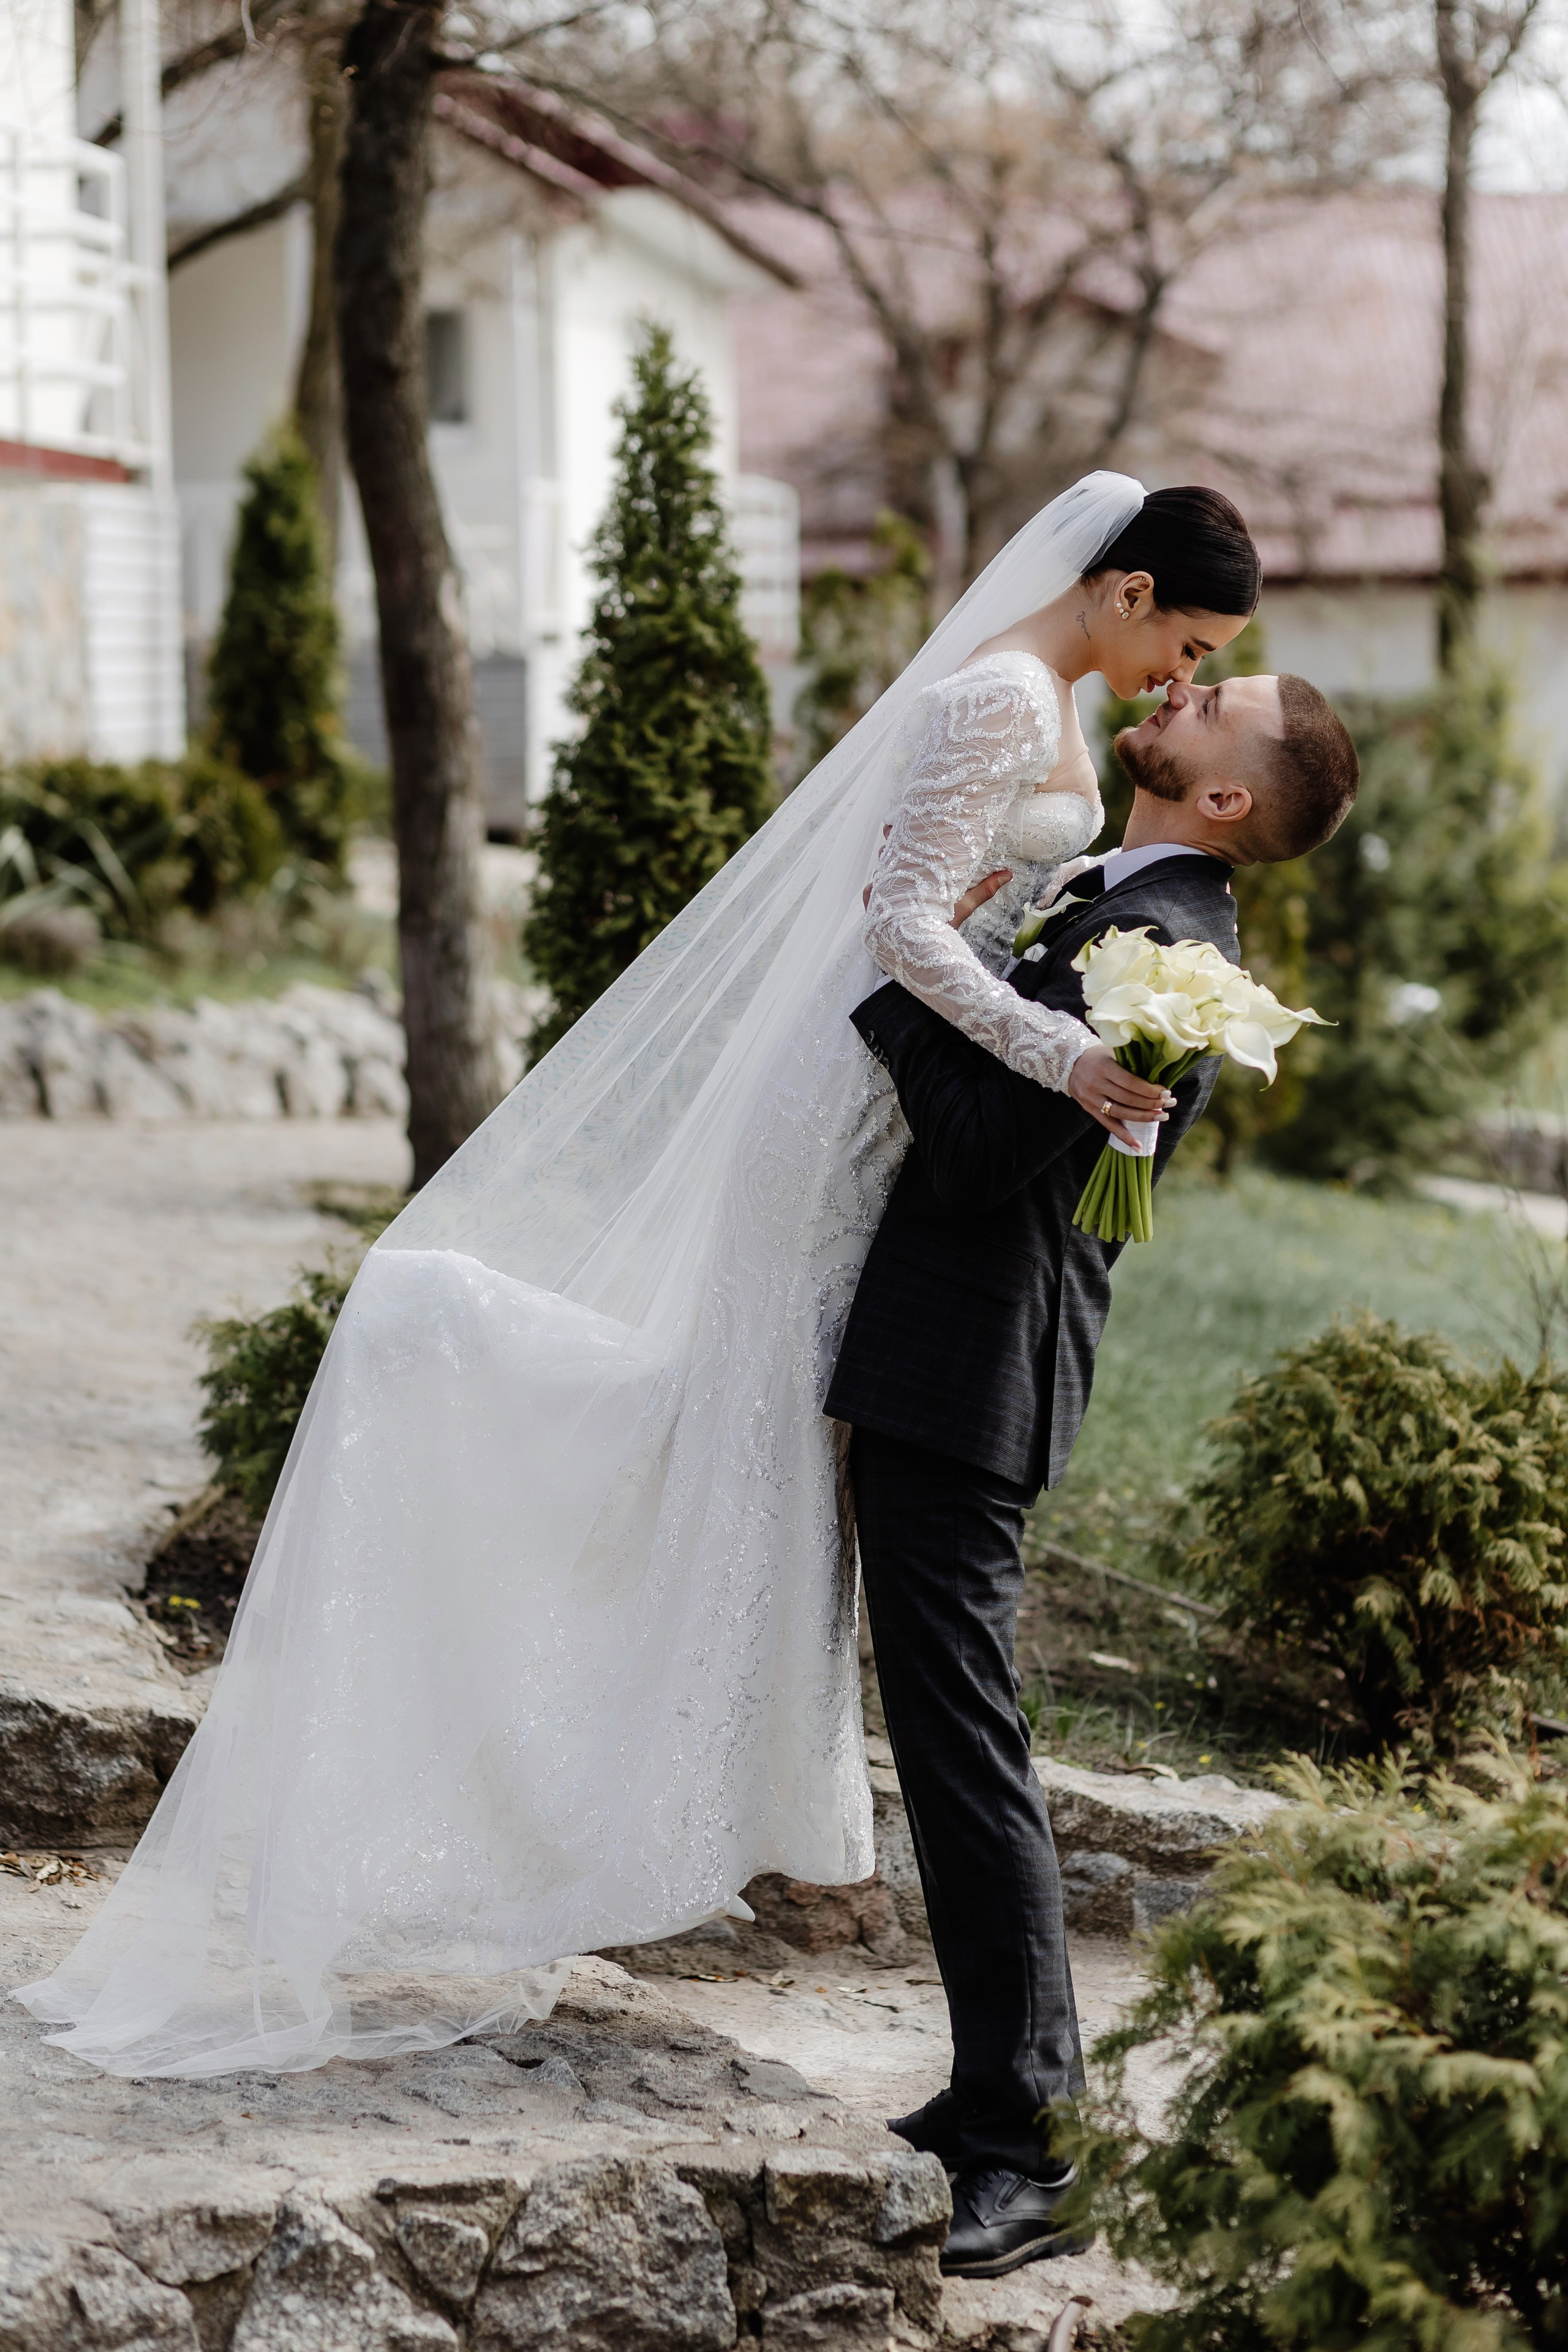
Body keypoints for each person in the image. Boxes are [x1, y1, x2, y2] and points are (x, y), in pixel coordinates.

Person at [20, 477, 1275, 2082]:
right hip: (840, 1111)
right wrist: (1068, 1050)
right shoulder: (996, 694)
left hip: (910, 1108)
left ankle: (652, 1771)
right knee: (714, 1429)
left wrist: (1040, 992)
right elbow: (898, 920)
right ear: (1124, 589)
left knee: (743, 1451)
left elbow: (980, 905)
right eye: (1187, 642)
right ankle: (535, 1635)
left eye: (1207, 665)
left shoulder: (1069, 712)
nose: (1182, 680)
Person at [831, 669, 1359, 2276]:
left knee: (966, 1743)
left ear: (1224, 800)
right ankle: (999, 2090)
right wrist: (973, 960)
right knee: (944, 1737)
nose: (1184, 690)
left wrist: (894, 975)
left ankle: (1034, 2145)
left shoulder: (1182, 957)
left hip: (974, 1360)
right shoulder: (1125, 903)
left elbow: (991, 1155)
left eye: (1222, 702)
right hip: (952, 1352)